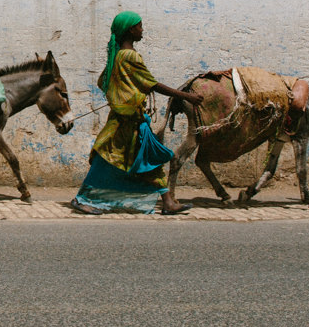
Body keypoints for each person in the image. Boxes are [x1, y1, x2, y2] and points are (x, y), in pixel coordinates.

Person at [71, 11, 209, 215]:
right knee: (109, 159)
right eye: (139, 26)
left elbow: (104, 82)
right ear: (130, 30)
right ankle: (82, 198)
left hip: (130, 119)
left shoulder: (117, 56)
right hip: (126, 121)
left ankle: (168, 202)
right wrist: (186, 96)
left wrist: (122, 95)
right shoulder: (130, 56)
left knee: (148, 157)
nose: (142, 30)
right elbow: (151, 84)